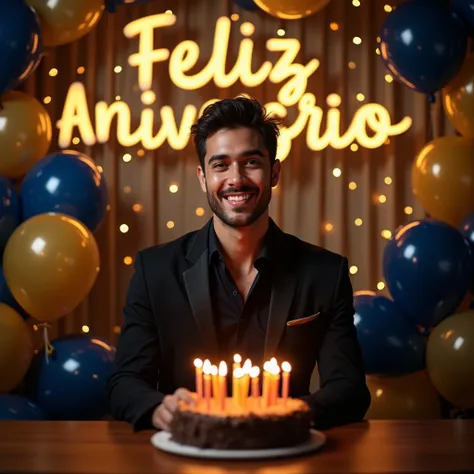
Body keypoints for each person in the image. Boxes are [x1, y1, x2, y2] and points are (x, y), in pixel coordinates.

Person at [107, 96, 371, 432]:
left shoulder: (325, 273)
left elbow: (350, 390)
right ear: (203, 178)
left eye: (251, 162)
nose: (236, 179)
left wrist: (286, 415)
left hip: (287, 456)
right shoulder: (154, 270)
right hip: (187, 455)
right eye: (221, 165)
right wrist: (161, 408)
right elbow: (123, 384)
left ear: (274, 171)